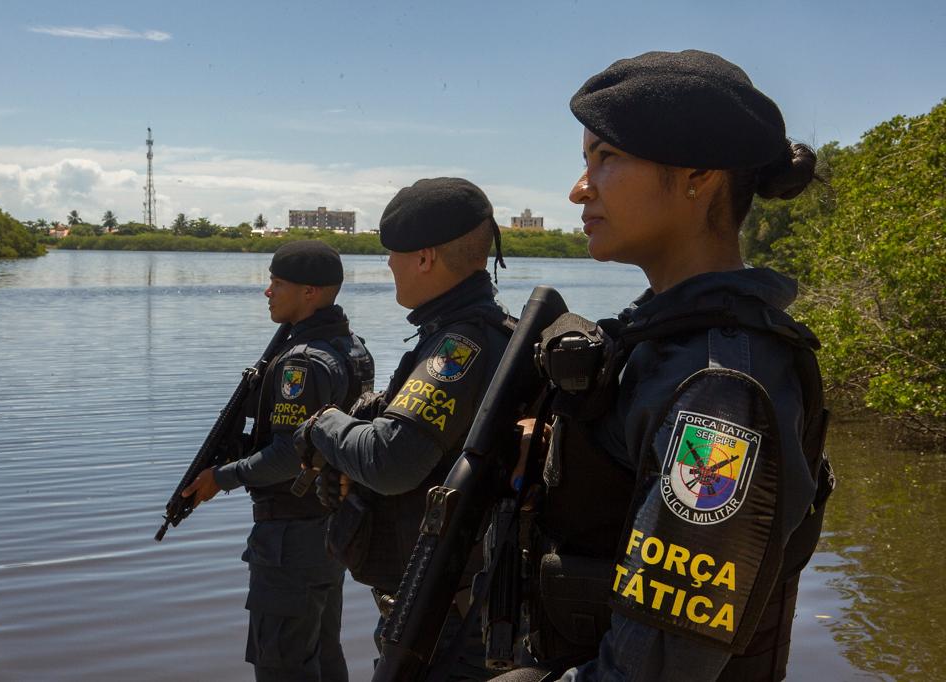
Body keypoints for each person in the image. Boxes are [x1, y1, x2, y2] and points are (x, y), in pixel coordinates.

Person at [496, 50, 834, 682]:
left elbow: (653, 669)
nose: (579, 189)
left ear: (697, 175)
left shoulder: (720, 388)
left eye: (607, 158)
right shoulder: (662, 338)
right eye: (585, 161)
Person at [293, 177, 513, 678]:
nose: (388, 265)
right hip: (457, 611)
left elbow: (391, 460)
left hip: (445, 628)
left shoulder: (460, 346)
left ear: (425, 258)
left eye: (393, 253)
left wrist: (325, 425)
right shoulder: (489, 331)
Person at [181, 240, 374, 682]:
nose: (268, 292)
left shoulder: (301, 365)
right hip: (331, 525)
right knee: (324, 654)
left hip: (292, 534)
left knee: (282, 664)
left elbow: (290, 455)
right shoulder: (351, 346)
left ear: (310, 292)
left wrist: (221, 477)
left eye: (277, 283)